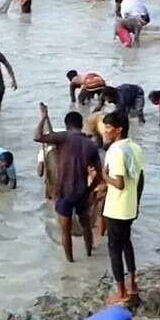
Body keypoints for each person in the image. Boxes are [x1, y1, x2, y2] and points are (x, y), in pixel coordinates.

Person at [34, 103, 102, 263]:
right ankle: (89, 255)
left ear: (67, 125)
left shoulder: (63, 138)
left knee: (66, 231)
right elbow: (99, 174)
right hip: (81, 192)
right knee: (86, 226)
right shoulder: (90, 144)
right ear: (80, 125)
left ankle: (70, 263)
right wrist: (90, 190)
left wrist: (43, 117)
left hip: (64, 192)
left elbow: (38, 136)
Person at [98, 111, 145, 304]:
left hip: (116, 208)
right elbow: (140, 179)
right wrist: (137, 202)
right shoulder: (135, 147)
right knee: (127, 243)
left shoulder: (116, 151)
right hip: (130, 206)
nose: (106, 131)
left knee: (114, 248)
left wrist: (104, 176)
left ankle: (122, 292)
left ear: (119, 130)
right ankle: (132, 284)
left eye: (109, 128)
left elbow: (119, 183)